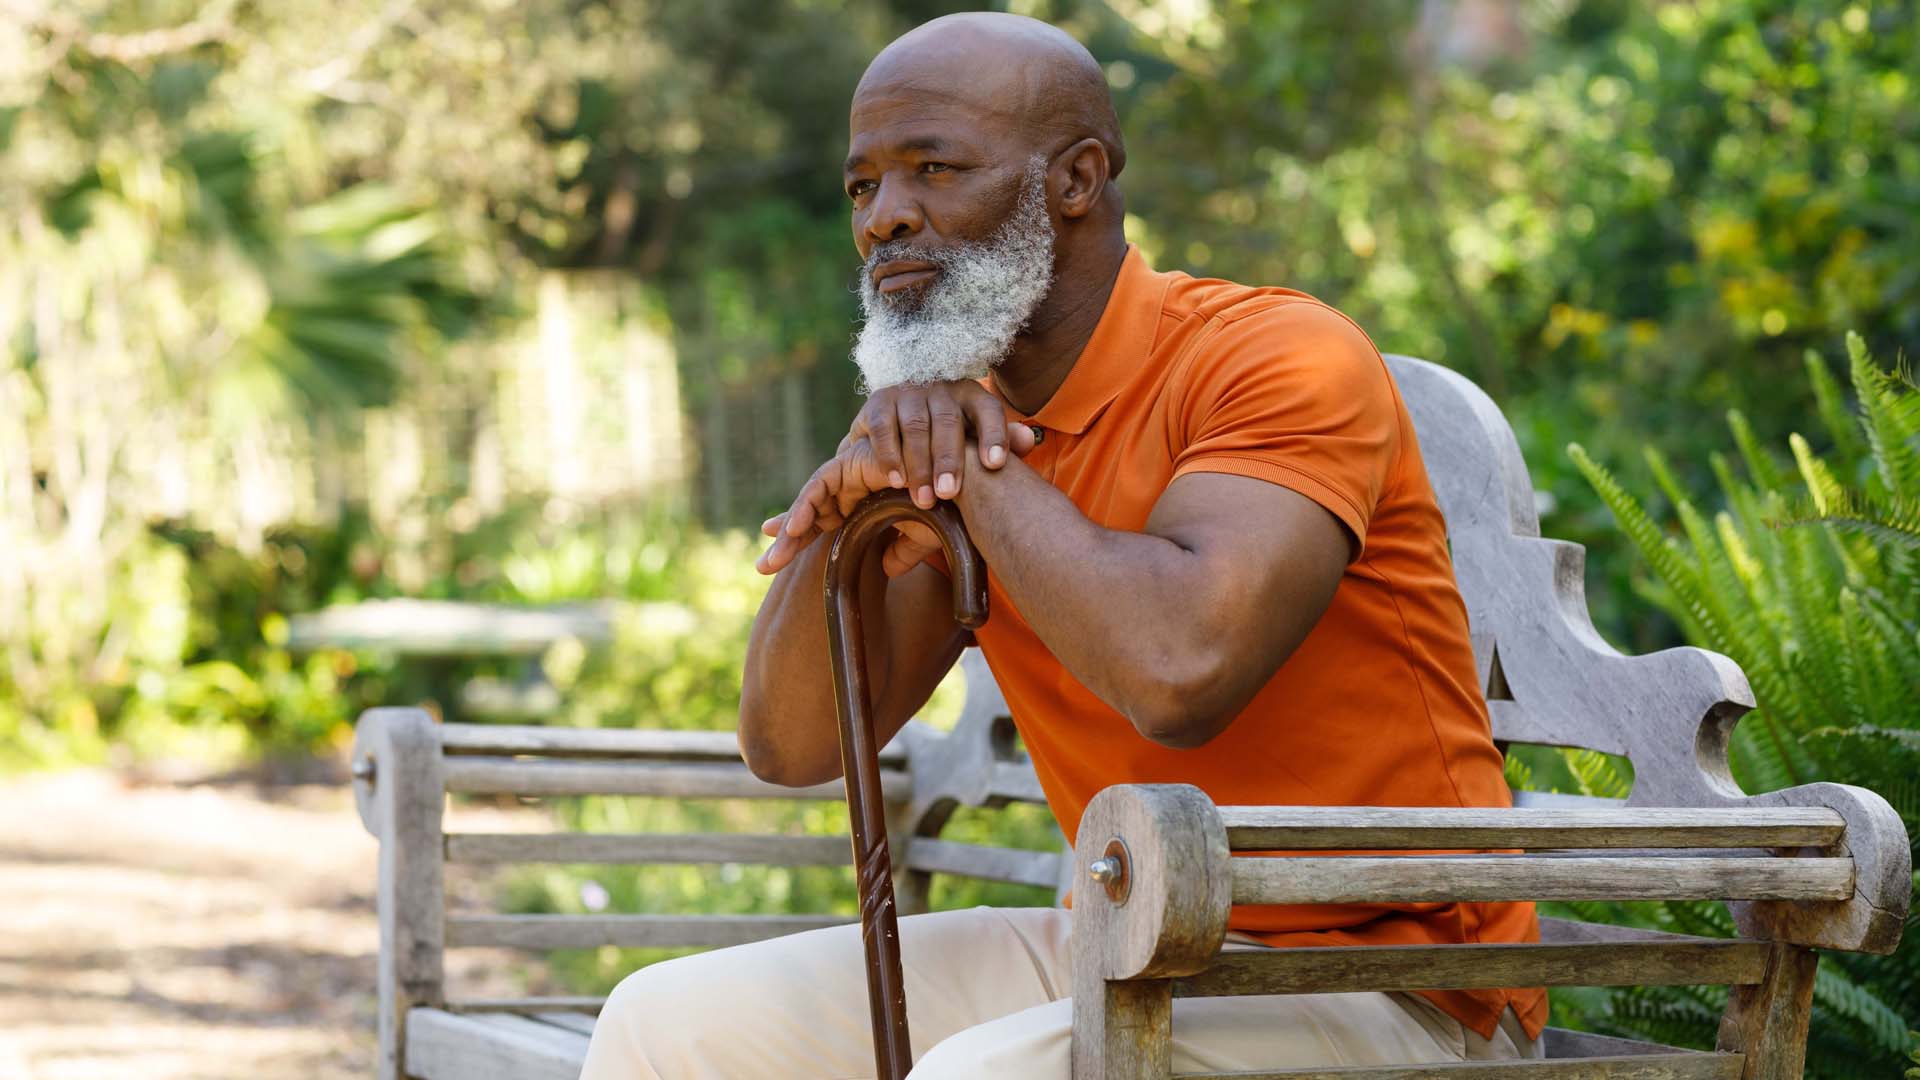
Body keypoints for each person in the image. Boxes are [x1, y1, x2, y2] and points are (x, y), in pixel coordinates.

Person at [580, 12, 1545, 1079]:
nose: (887, 221)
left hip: (1392, 990)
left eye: (935, 168)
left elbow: (1181, 672)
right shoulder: (966, 424)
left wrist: (966, 463)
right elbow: (796, 746)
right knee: (662, 1023)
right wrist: (853, 502)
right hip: (1131, 946)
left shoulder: (1276, 357)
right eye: (863, 188)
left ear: (1077, 179)